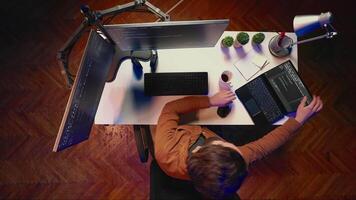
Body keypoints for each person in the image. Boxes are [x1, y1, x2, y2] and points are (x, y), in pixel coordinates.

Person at [153, 90, 323, 199]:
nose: (234, 146)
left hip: (188, 131)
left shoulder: (166, 149)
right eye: (231, 146)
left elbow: (170, 109)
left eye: (229, 146)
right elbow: (262, 147)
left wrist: (211, 101)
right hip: (197, 131)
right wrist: (299, 121)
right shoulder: (231, 160)